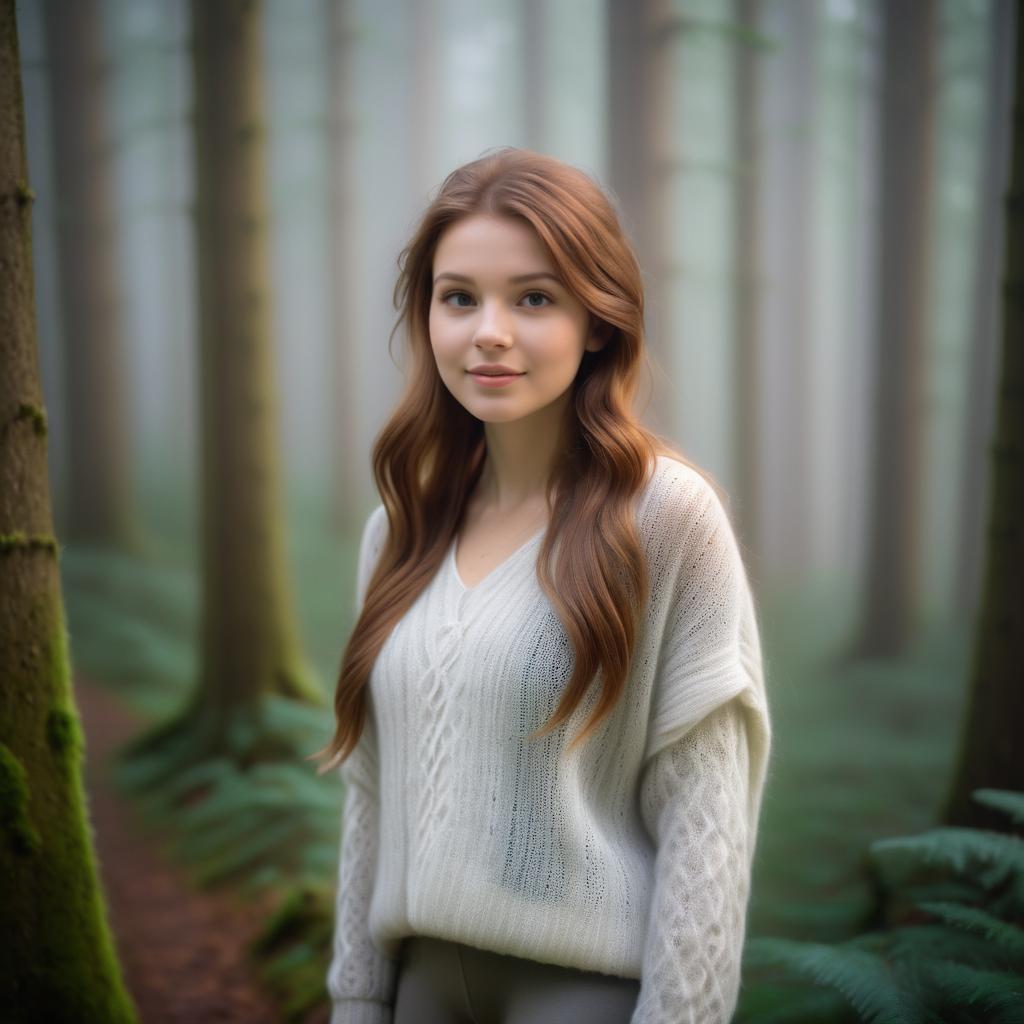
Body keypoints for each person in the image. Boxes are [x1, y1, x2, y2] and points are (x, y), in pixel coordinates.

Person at [311, 146, 773, 1024]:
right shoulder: (401, 527)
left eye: (533, 297)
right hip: (416, 995)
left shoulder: (666, 517)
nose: (489, 331)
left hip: (583, 996)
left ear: (597, 320)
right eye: (459, 298)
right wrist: (357, 999)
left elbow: (706, 819)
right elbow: (372, 794)